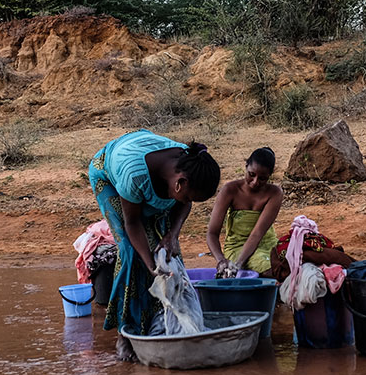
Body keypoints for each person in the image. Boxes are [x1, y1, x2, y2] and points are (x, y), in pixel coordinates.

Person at [88, 130, 221, 338]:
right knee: (131, 253)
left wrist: (172, 235)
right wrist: (150, 265)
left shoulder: (188, 164)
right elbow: (132, 222)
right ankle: (126, 332)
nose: (187, 202)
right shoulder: (133, 174)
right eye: (186, 197)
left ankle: (167, 323)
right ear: (179, 183)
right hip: (109, 176)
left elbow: (185, 204)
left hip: (149, 181)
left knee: (168, 254)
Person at [205, 147, 284, 276]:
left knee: (293, 264)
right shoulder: (230, 190)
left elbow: (257, 233)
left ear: (270, 175)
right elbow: (212, 233)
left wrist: (238, 265)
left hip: (267, 245)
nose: (255, 182)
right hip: (237, 247)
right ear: (246, 166)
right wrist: (221, 260)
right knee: (272, 270)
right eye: (251, 174)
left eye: (262, 179)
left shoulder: (274, 193)